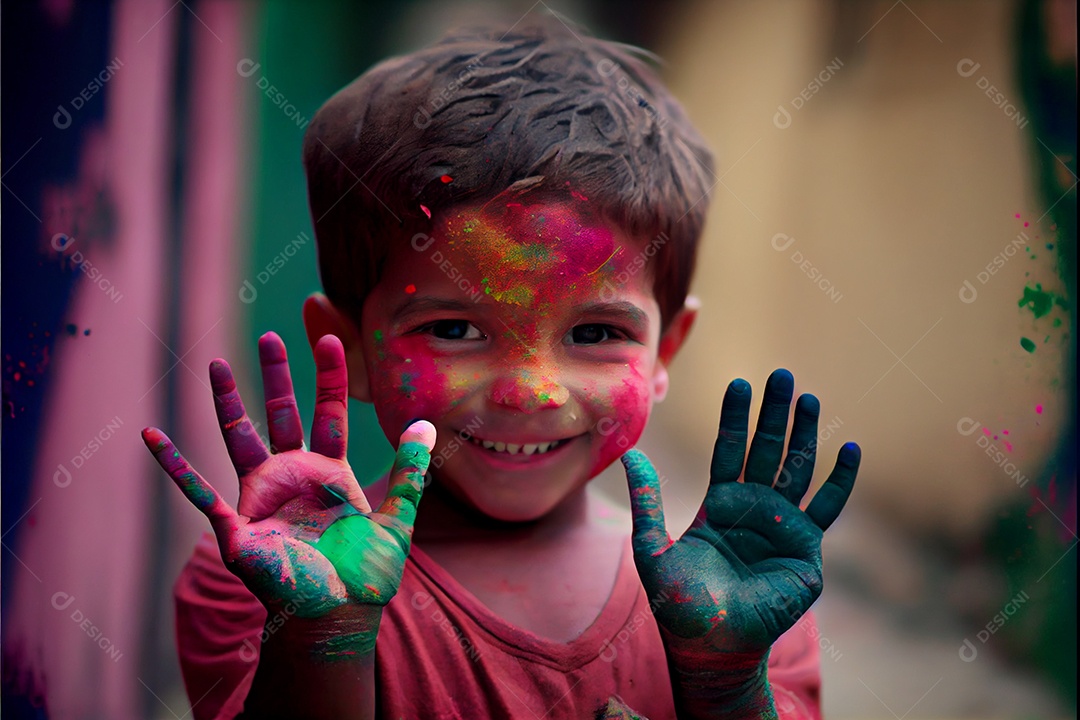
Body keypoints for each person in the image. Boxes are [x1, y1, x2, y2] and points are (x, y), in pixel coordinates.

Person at [143, 17, 860, 720]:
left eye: (595, 332)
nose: (530, 391)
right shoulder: (266, 582)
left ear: (665, 351)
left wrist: (725, 678)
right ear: (351, 348)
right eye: (454, 329)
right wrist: (323, 636)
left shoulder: (737, 600)